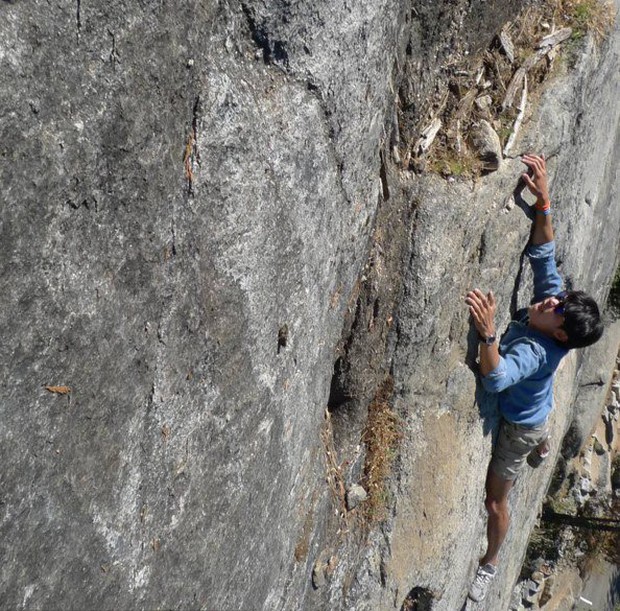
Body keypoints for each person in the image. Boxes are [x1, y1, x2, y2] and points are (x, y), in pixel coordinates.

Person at [465, 154, 604, 603]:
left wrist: (488, 333)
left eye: (556, 308)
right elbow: (543, 252)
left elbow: (496, 380)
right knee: (541, 415)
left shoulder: (536, 348)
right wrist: (543, 199)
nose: (549, 302)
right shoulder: (552, 311)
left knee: (495, 502)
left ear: (560, 332)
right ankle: (544, 439)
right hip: (537, 410)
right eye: (558, 299)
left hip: (518, 427)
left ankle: (490, 562)